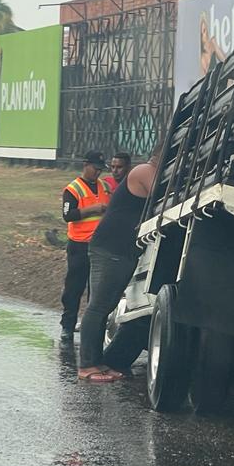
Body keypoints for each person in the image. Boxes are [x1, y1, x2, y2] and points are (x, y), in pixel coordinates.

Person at [76, 147, 160, 381]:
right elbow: (163, 193)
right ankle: (87, 366)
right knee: (99, 306)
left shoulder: (147, 171)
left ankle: (98, 364)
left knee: (106, 305)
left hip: (120, 249)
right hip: (110, 248)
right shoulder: (144, 171)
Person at [60, 151, 112, 346]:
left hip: (99, 246)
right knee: (74, 287)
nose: (97, 173)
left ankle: (91, 328)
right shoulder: (72, 189)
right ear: (85, 165)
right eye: (95, 168)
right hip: (79, 246)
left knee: (96, 290)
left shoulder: (105, 187)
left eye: (100, 170)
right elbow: (68, 215)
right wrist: (92, 209)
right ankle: (67, 326)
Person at [199, 11, 226, 79]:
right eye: (201, 33)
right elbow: (204, 80)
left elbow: (225, 60)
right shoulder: (202, 57)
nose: (203, 35)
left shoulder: (212, 44)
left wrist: (215, 45)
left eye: (204, 31)